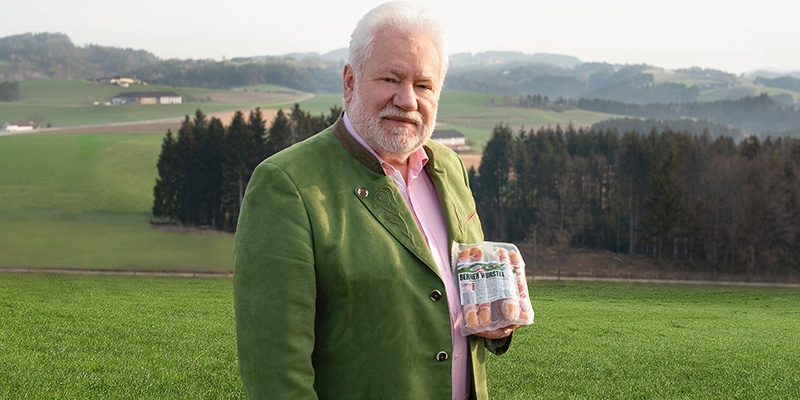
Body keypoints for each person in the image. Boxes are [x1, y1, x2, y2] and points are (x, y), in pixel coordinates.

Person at [233, 2, 519, 399]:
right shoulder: (286, 185)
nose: (407, 100)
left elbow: (461, 289)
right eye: (390, 78)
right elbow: (275, 373)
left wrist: (494, 324)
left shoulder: (448, 167)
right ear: (350, 81)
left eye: (424, 85)